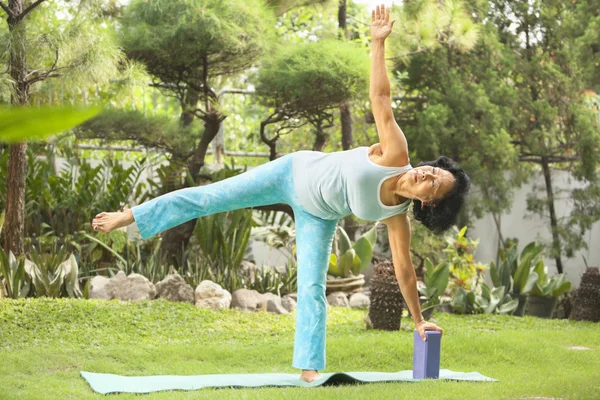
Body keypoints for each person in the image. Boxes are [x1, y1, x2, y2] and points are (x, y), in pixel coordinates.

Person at [92, 4, 470, 383]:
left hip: (318, 216)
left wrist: (419, 321)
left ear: (429, 202)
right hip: (292, 172)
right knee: (211, 197)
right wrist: (377, 44)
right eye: (434, 170)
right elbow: (381, 100)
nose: (427, 174)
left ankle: (309, 375)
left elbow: (404, 270)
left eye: (434, 183)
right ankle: (133, 215)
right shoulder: (396, 153)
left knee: (311, 287)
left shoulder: (395, 218)